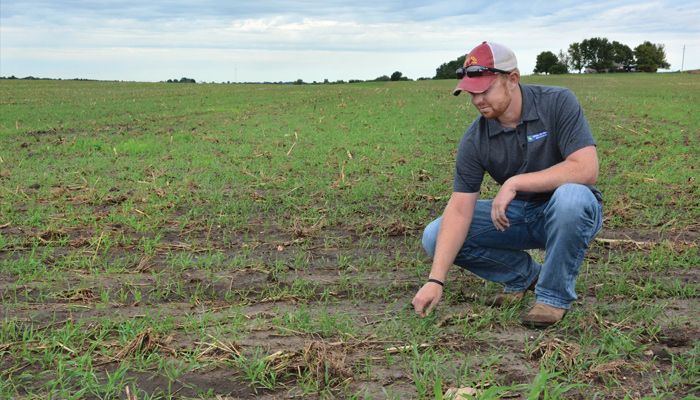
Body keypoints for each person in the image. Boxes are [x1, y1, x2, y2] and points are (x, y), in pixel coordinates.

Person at [411, 41, 603, 328]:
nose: (477, 100)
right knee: (435, 235)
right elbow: (460, 210)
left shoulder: (557, 102)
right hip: (517, 216)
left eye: (485, 90)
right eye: (471, 93)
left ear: (512, 79)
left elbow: (586, 168)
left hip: (567, 212)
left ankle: (551, 297)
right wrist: (435, 280)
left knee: (571, 198)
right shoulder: (475, 139)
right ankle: (524, 275)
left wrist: (515, 182)